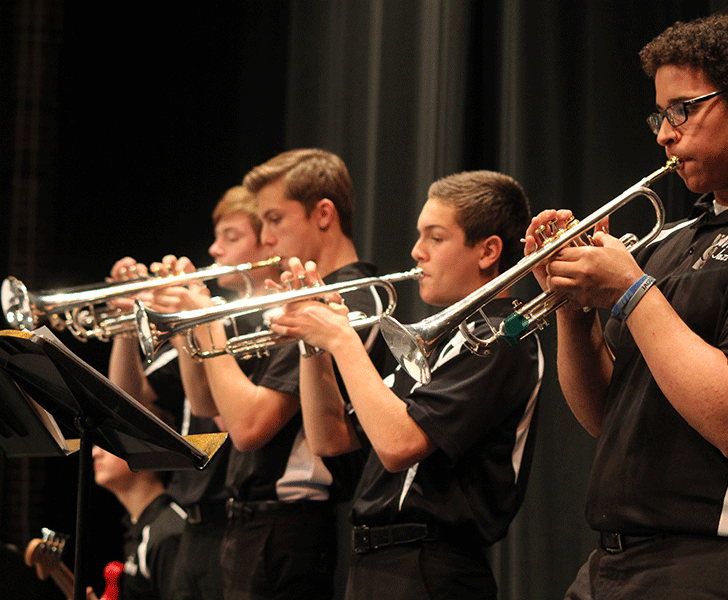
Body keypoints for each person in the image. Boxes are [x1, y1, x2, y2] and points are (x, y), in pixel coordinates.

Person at [525, 12, 728, 599]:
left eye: (683, 109)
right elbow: (604, 416)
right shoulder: (676, 238)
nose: (663, 133)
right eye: (659, 115)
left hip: (727, 566)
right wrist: (570, 304)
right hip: (616, 563)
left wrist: (630, 292)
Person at [269, 170, 543, 599]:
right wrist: (313, 344)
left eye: (435, 238)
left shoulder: (500, 336)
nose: (416, 252)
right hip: (378, 565)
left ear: (488, 251)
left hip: (430, 568)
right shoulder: (438, 340)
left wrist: (342, 338)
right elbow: (330, 439)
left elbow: (399, 444)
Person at [167, 148, 387, 600]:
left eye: (273, 219)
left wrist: (207, 324)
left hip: (288, 531)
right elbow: (210, 406)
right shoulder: (299, 299)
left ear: (323, 214)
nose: (265, 238)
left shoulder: (346, 300)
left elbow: (249, 427)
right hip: (251, 525)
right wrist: (186, 332)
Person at [106, 185, 280, 600]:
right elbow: (127, 396)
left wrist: (191, 316)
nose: (214, 249)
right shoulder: (214, 317)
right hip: (192, 517)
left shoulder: (258, 328)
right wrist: (131, 324)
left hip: (232, 515)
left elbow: (217, 411)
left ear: (267, 242)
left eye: (231, 237)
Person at [92, 444, 186, 600]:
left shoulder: (168, 535)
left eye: (107, 443)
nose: (95, 452)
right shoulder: (136, 525)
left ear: (146, 451)